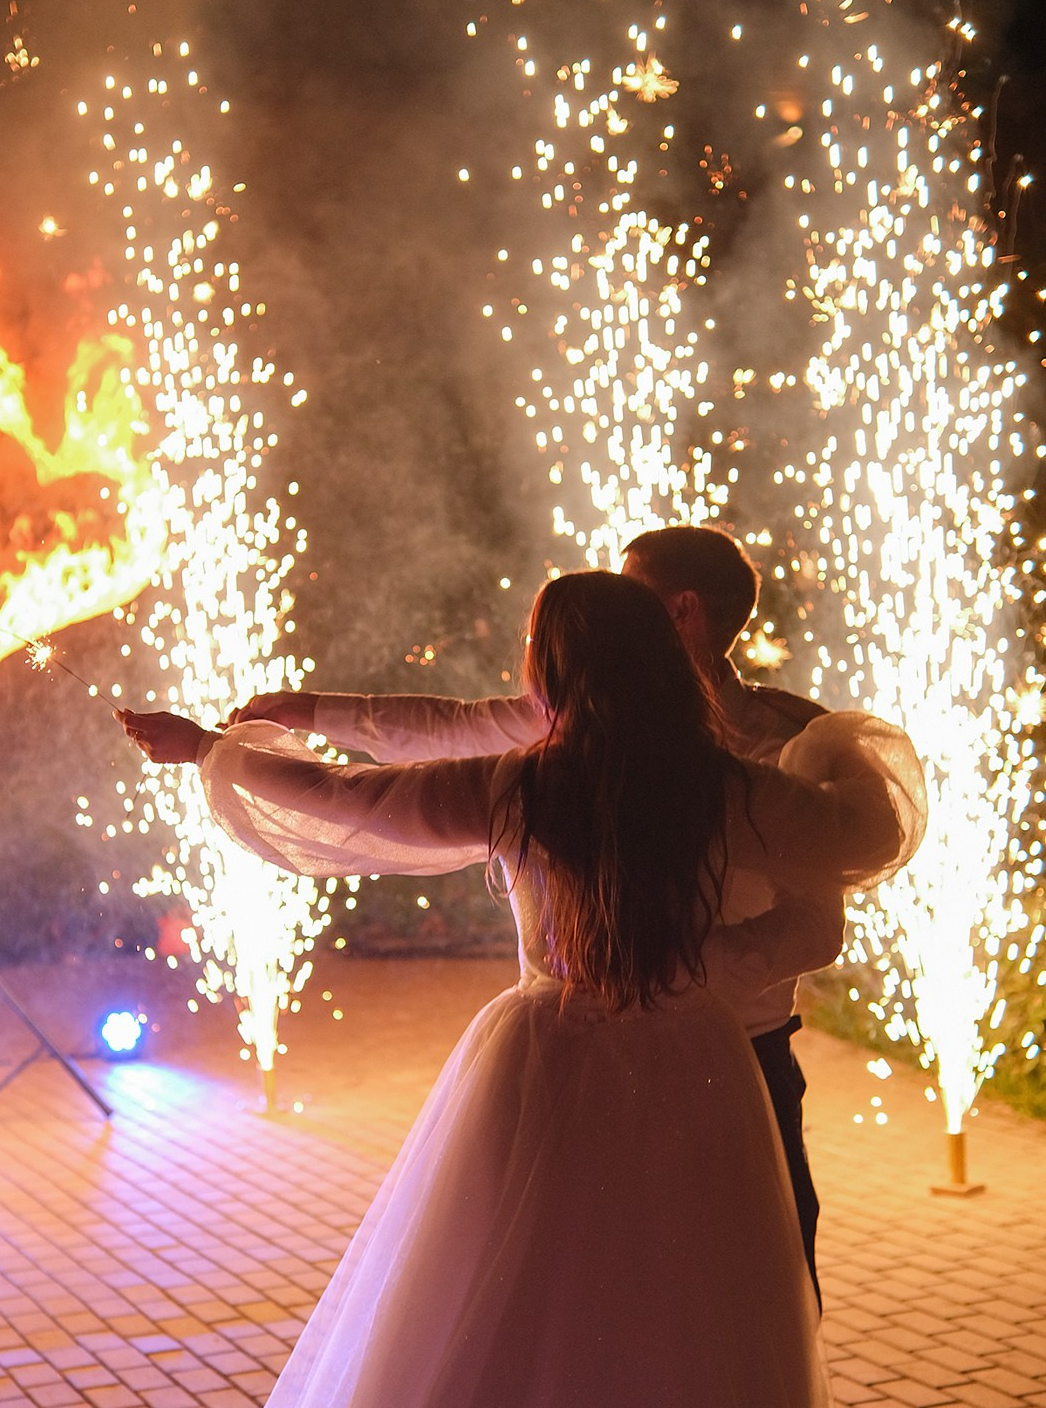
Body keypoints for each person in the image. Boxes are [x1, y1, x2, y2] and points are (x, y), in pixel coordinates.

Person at [117, 570, 923, 1408]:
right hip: (694, 1072)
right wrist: (708, 959)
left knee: (508, 1330)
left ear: (560, 667)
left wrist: (209, 753)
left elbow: (349, 803)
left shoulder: (519, 785)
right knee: (697, 1343)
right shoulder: (727, 787)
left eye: (534, 647)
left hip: (547, 1063)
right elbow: (844, 866)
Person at [233, 527, 832, 1299]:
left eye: (631, 587)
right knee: (576, 1285)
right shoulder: (570, 730)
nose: (614, 602)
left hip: (740, 1054)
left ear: (682, 610)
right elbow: (447, 729)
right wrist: (313, 712)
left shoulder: (782, 741)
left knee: (763, 1283)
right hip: (582, 1058)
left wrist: (678, 971)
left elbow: (816, 918)